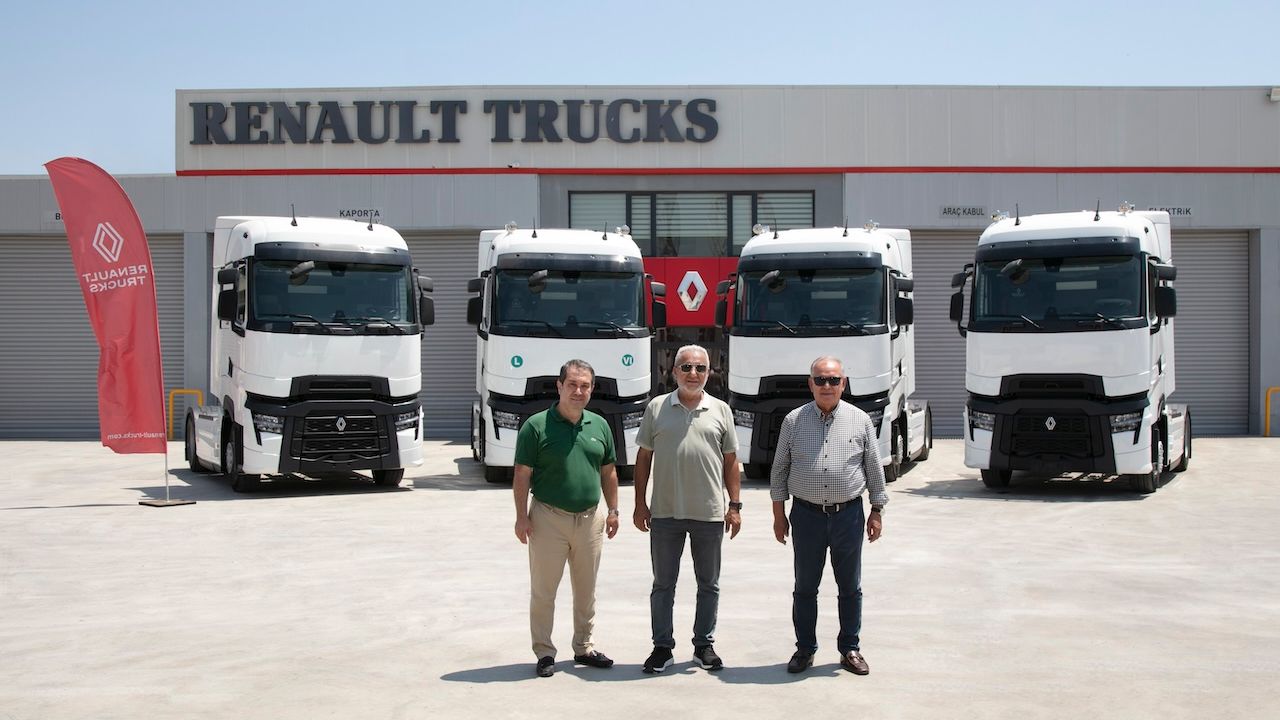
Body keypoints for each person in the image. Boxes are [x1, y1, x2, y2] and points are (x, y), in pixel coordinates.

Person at [770, 355, 888, 676]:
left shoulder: (860, 420)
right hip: (806, 516)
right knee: (805, 586)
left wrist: (876, 511)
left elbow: (874, 470)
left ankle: (850, 648)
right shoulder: (793, 421)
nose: (827, 386)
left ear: (843, 384)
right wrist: (779, 515)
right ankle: (805, 649)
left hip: (848, 516)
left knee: (849, 586)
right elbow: (779, 471)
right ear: (810, 384)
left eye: (833, 380)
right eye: (820, 380)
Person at [633, 345, 741, 674]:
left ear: (709, 373)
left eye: (700, 368)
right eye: (686, 367)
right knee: (663, 584)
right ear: (674, 371)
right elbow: (643, 458)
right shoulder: (656, 407)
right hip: (665, 513)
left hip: (709, 513)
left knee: (709, 584)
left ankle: (703, 645)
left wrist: (734, 505)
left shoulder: (721, 410)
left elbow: (731, 461)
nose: (693, 374)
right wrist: (639, 503)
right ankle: (662, 648)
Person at [513, 359, 621, 678]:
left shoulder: (599, 425)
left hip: (590, 520)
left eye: (585, 385)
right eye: (572, 384)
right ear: (559, 386)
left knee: (586, 590)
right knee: (544, 591)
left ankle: (584, 647)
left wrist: (613, 510)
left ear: (592, 389)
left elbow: (608, 471)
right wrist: (521, 517)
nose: (578, 391)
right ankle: (544, 652)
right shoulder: (536, 426)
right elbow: (522, 474)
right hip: (548, 518)